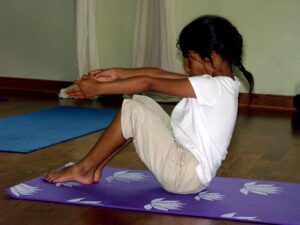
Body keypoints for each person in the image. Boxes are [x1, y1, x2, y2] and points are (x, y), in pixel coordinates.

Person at [45, 15, 254, 194]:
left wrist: (98, 89)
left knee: (132, 110)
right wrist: (118, 73)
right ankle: (93, 168)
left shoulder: (213, 88)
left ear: (213, 57)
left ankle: (84, 169)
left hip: (184, 174)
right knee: (139, 102)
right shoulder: (222, 84)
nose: (186, 66)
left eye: (190, 58)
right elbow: (158, 74)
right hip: (189, 172)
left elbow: (150, 82)